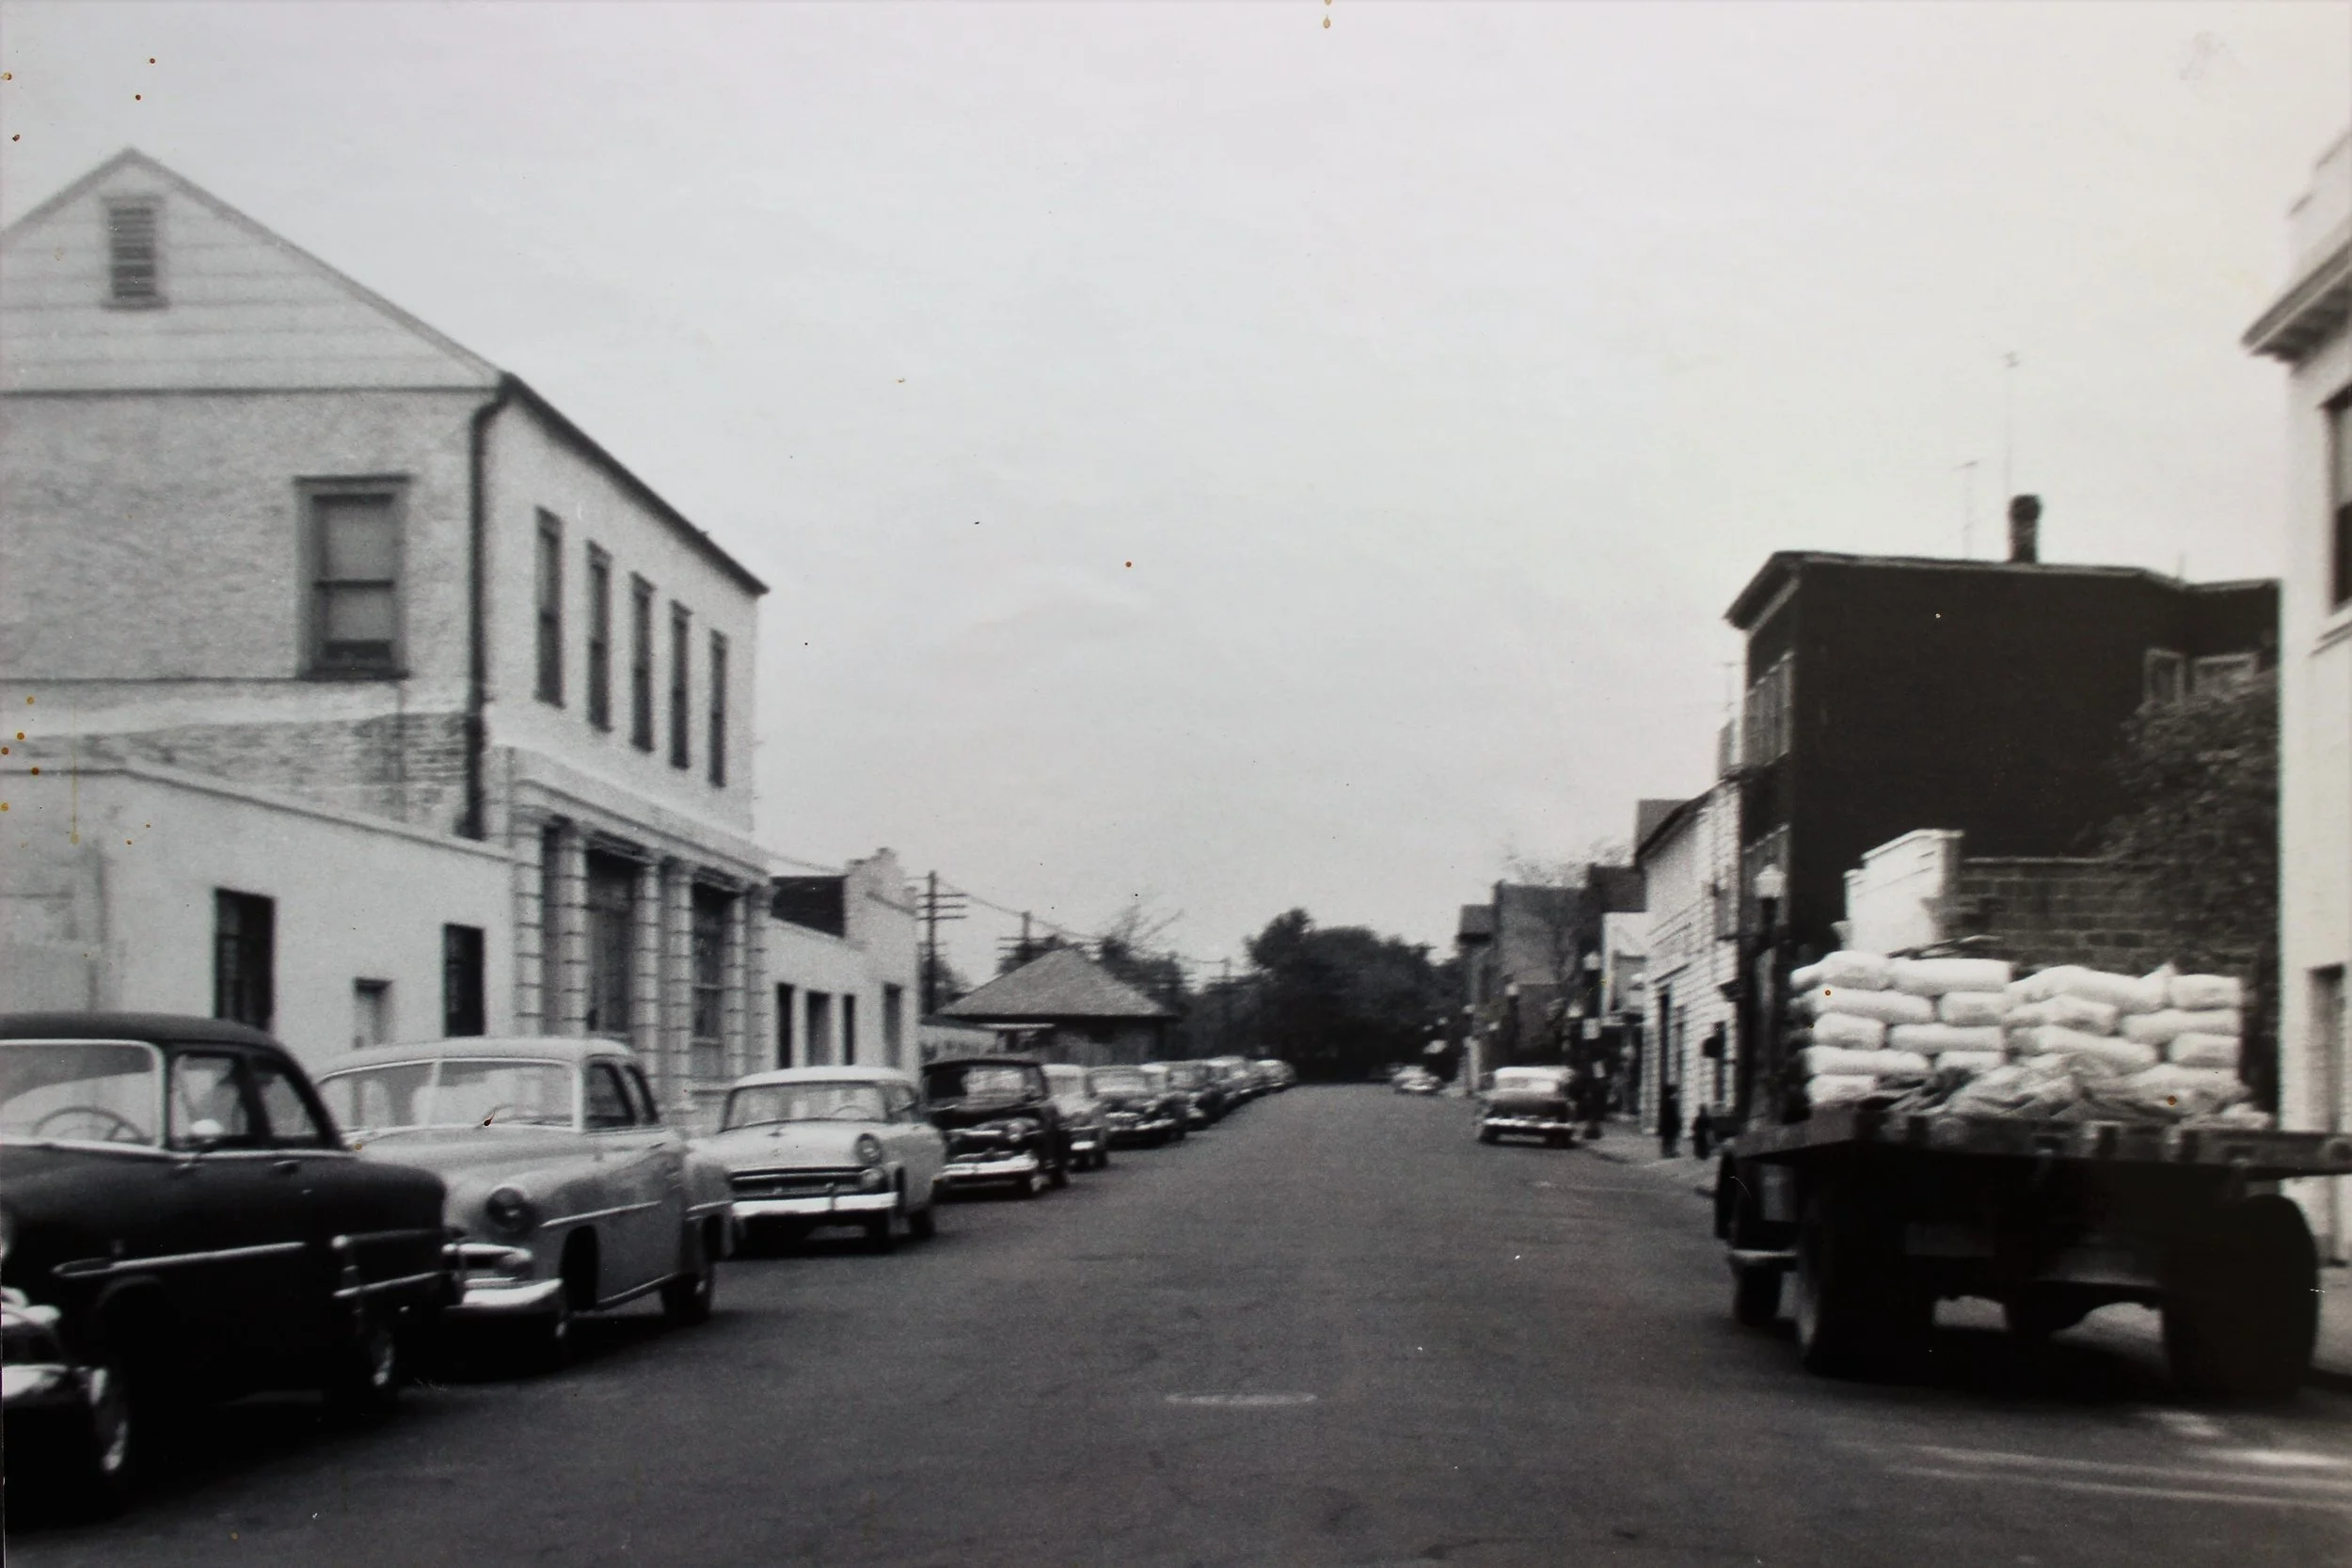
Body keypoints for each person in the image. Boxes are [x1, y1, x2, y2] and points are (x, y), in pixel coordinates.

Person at [1658, 1081, 1682, 1159]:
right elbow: (1673, 1114)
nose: (1676, 1094)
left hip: (1667, 1124)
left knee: (1668, 1139)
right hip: (1670, 1124)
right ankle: (1669, 1151)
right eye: (1675, 1092)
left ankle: (1668, 1151)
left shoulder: (1665, 1102)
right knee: (1670, 1138)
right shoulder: (1671, 1102)